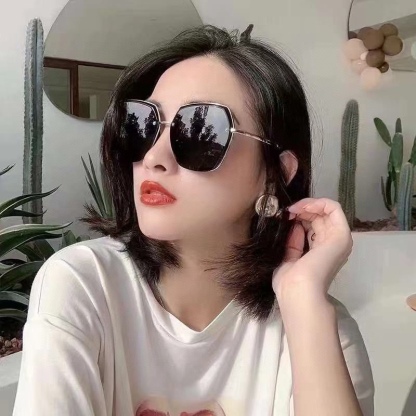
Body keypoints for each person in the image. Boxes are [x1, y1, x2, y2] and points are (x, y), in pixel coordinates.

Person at [13, 24, 374, 416]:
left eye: (200, 131)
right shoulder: (83, 284)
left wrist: (303, 302)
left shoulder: (318, 328)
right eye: (143, 124)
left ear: (275, 172)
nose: (154, 157)